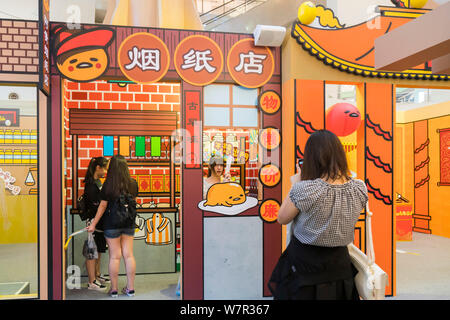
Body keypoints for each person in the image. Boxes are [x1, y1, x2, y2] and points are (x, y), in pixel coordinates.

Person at [269, 130, 368, 300]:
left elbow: (282, 218)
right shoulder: (359, 187)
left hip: (304, 267)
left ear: (311, 158)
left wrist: (296, 184)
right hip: (340, 266)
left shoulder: (305, 189)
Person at [87, 155, 138, 298]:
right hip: (128, 223)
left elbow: (102, 206)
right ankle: (130, 289)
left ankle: (114, 289)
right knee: (129, 255)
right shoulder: (133, 183)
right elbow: (133, 204)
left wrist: (93, 224)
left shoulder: (107, 185)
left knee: (115, 257)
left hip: (111, 224)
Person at [83, 156, 109, 291]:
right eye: (104, 168)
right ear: (98, 167)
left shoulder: (98, 182)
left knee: (98, 250)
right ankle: (91, 281)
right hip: (93, 222)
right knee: (91, 251)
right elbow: (96, 206)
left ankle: (97, 275)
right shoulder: (91, 185)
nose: (105, 171)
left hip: (99, 223)